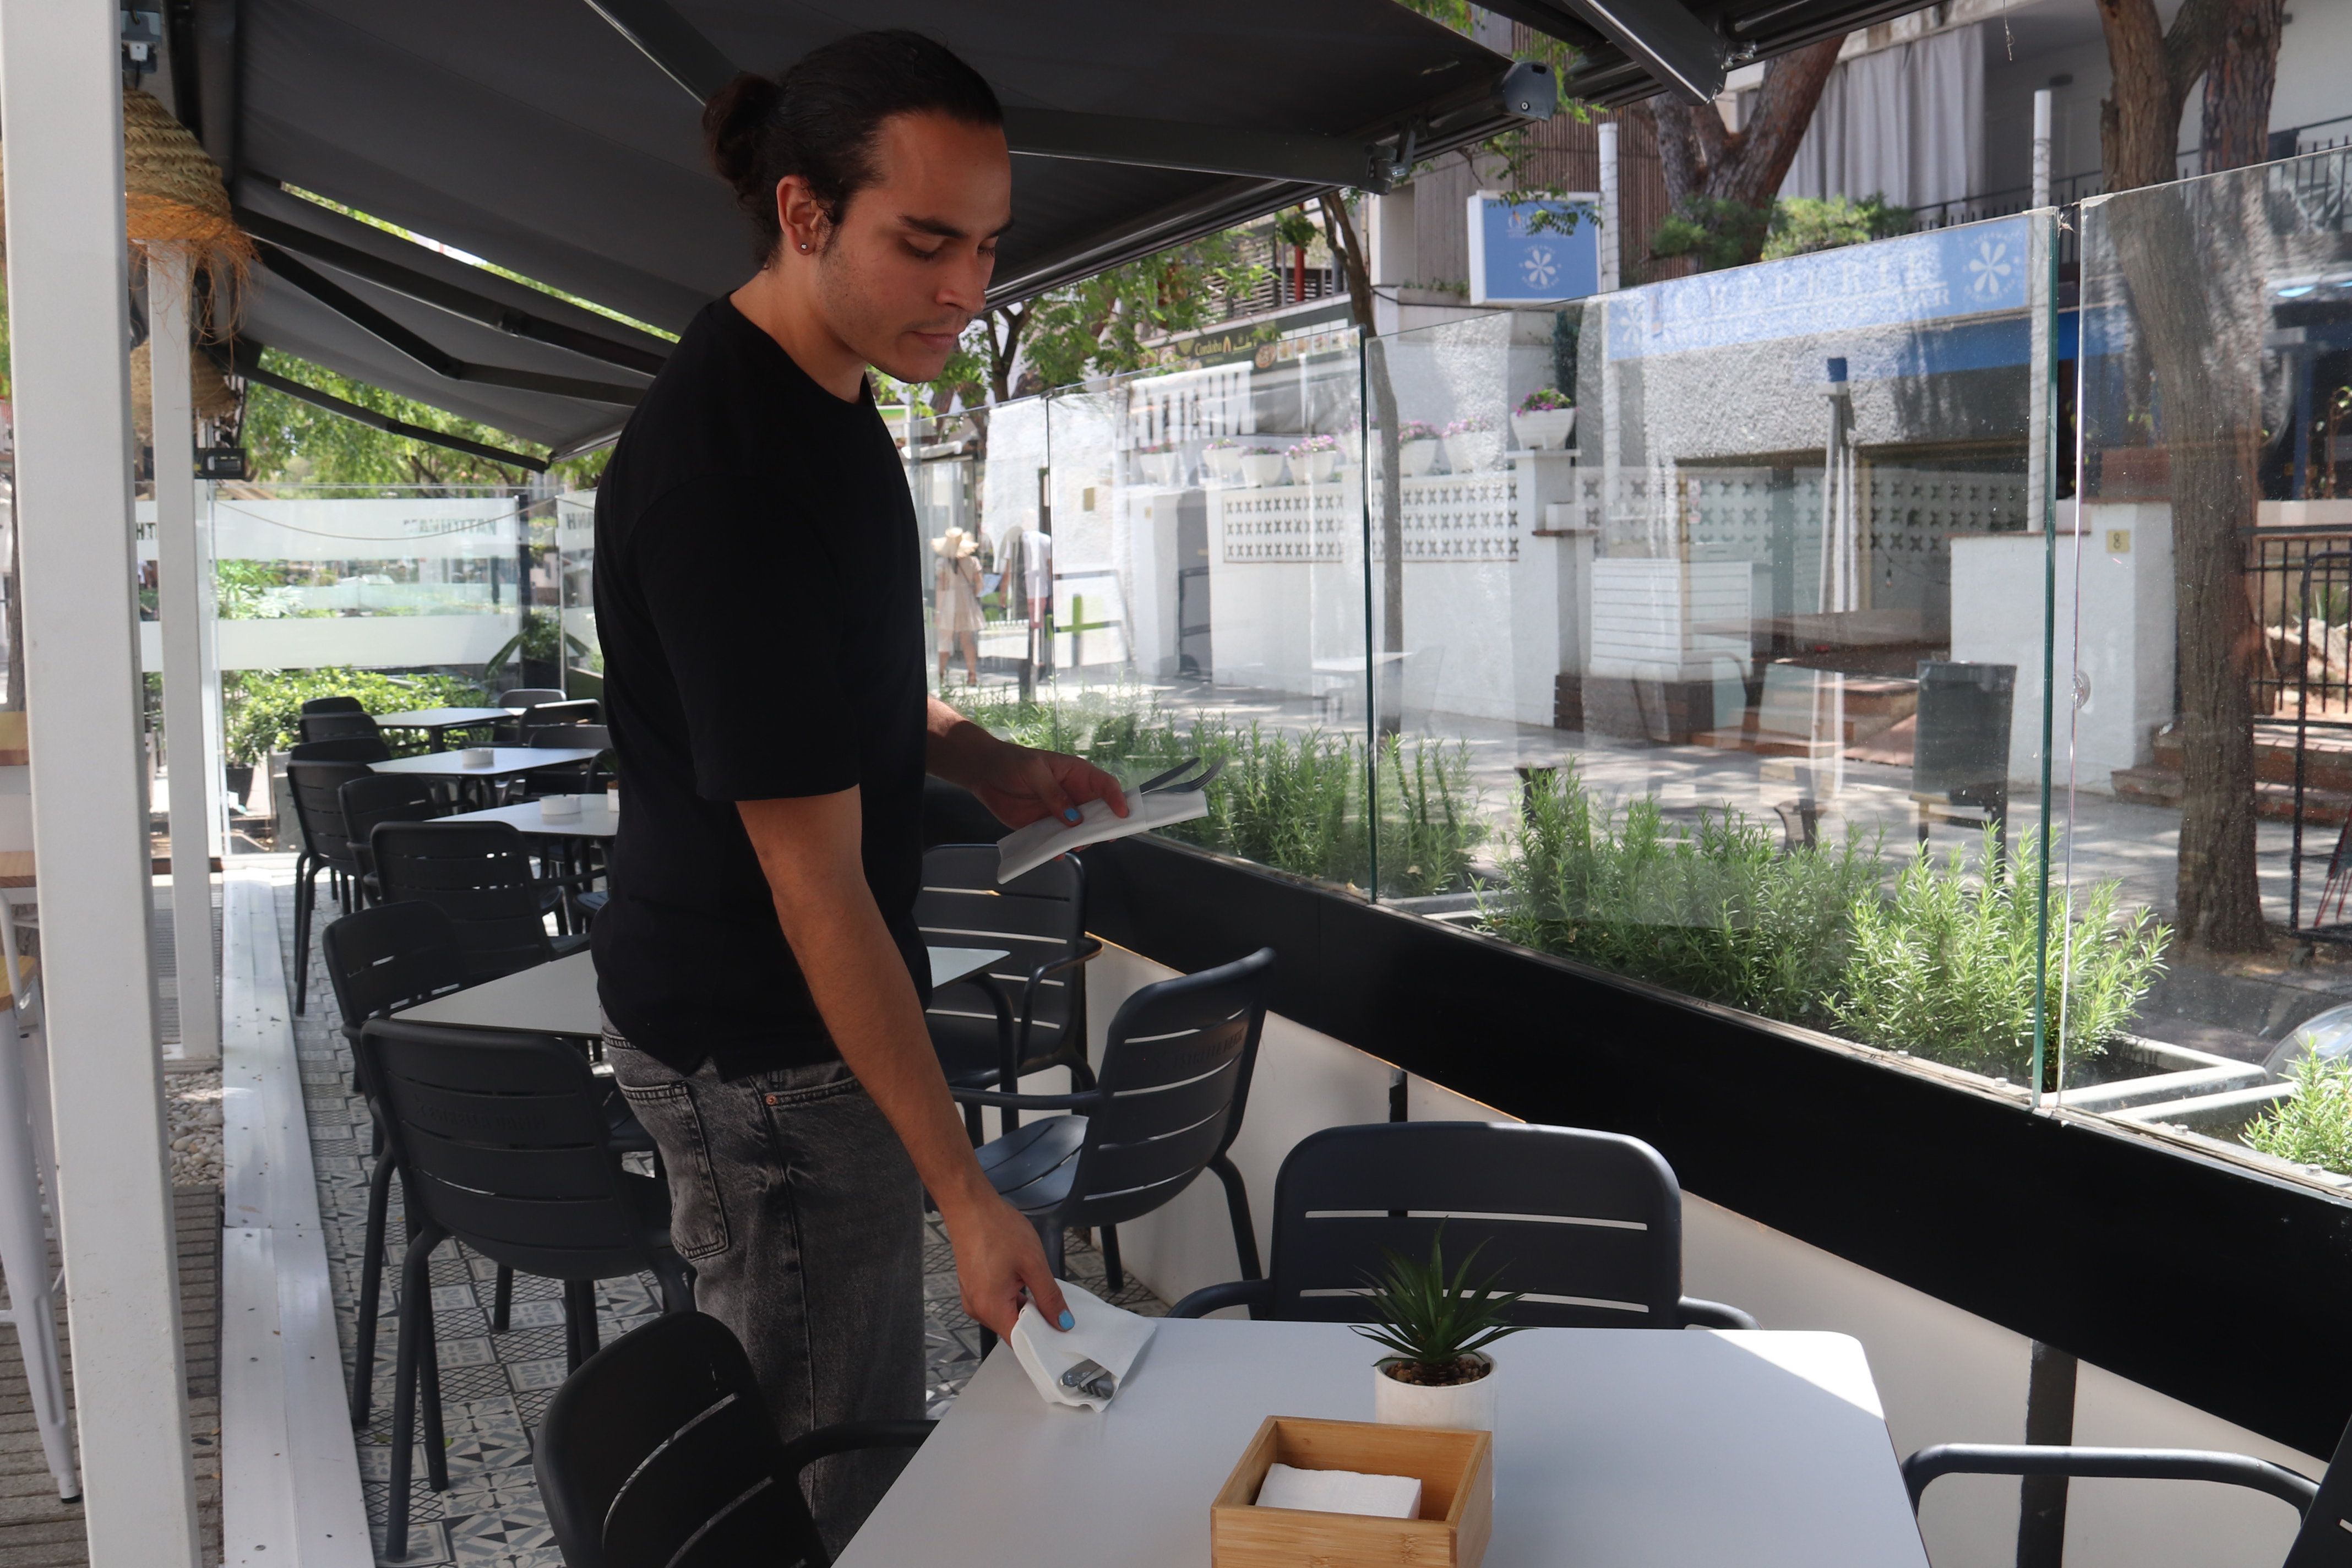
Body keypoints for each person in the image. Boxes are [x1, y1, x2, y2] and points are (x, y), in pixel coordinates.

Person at [587, 30, 1127, 1549]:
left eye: (987, 246)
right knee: (834, 1484)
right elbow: (810, 879)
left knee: (841, 1445)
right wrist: (963, 1188)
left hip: (795, 1032)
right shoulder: (727, 472)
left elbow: (840, 687)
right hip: (765, 1055)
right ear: (806, 215)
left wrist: (988, 764)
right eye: (927, 242)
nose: (968, 287)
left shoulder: (828, 394)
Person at [933, 524, 983, 688]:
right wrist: (971, 596)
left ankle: (940, 676)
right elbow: (980, 586)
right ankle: (972, 675)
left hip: (949, 602)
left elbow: (942, 588)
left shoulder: (942, 563)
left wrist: (939, 610)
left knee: (945, 639)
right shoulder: (973, 562)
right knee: (967, 640)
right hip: (966, 602)